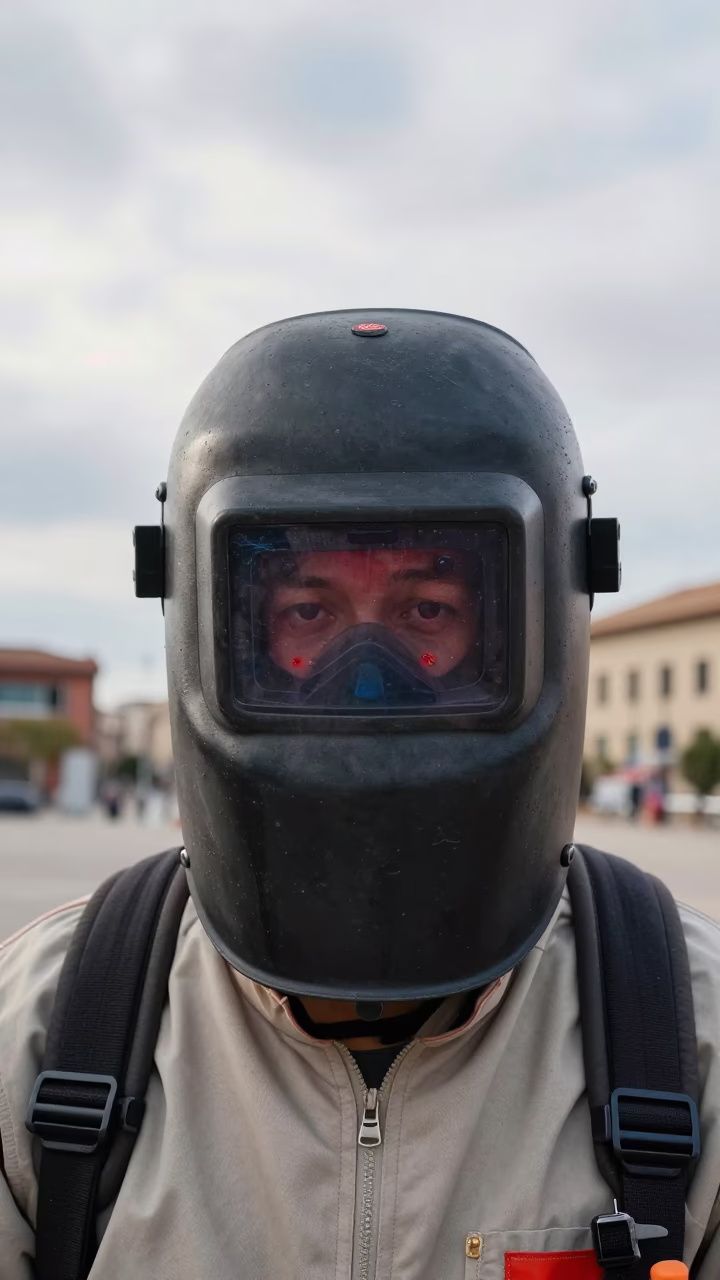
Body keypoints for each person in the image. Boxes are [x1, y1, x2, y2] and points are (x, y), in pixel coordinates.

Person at [1, 309, 719, 1279]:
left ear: (535, 622)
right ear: (217, 626)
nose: (368, 673)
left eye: (427, 611)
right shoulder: (43, 1036)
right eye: (309, 613)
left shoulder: (689, 1036)